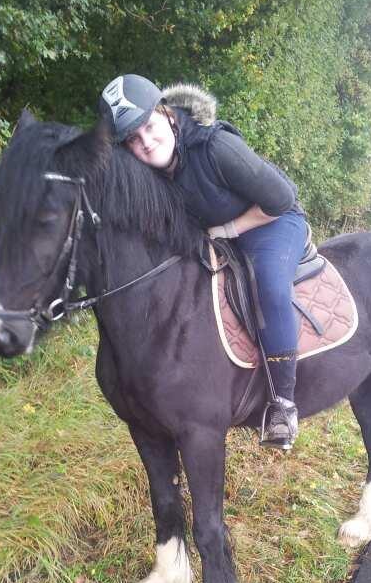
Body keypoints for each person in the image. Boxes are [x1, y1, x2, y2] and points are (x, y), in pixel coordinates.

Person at [100, 74, 308, 449]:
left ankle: (283, 403)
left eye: (149, 126)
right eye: (133, 138)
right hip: (216, 234)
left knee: (269, 285)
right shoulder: (149, 172)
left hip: (271, 222)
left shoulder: (216, 147)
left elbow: (280, 197)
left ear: (166, 114)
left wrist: (226, 229)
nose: (146, 143)